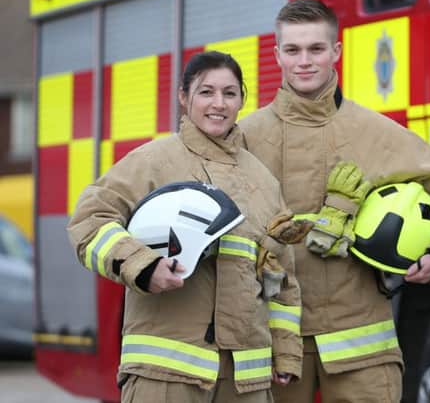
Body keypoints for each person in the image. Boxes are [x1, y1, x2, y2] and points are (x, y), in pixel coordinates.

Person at [239, 0, 430, 402]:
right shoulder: (244, 137)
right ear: (276, 54)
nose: (304, 61)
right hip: (271, 343)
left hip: (360, 349)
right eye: (293, 50)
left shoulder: (377, 133)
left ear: (336, 51)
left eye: (316, 49)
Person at [67, 51, 307, 403]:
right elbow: (89, 221)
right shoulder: (153, 161)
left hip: (245, 382)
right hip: (166, 376)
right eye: (206, 92)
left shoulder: (263, 181)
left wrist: (285, 351)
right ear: (183, 97)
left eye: (229, 93)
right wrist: (144, 266)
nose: (218, 104)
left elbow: (281, 275)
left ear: (242, 98)